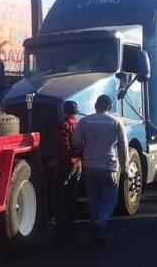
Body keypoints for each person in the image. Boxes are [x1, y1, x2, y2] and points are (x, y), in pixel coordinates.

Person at [72, 94, 128, 244]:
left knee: (94, 199)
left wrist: (86, 149)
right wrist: (125, 168)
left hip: (89, 166)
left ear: (95, 106)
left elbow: (76, 142)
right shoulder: (116, 123)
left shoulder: (84, 122)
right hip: (108, 167)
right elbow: (123, 148)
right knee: (110, 200)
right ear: (109, 107)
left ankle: (95, 225)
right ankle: (101, 223)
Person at [53, 101, 81, 239]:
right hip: (78, 163)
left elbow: (63, 144)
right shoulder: (79, 123)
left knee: (59, 196)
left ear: (64, 110)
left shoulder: (64, 124)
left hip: (66, 164)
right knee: (73, 196)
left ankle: (61, 229)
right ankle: (72, 225)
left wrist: (59, 159)